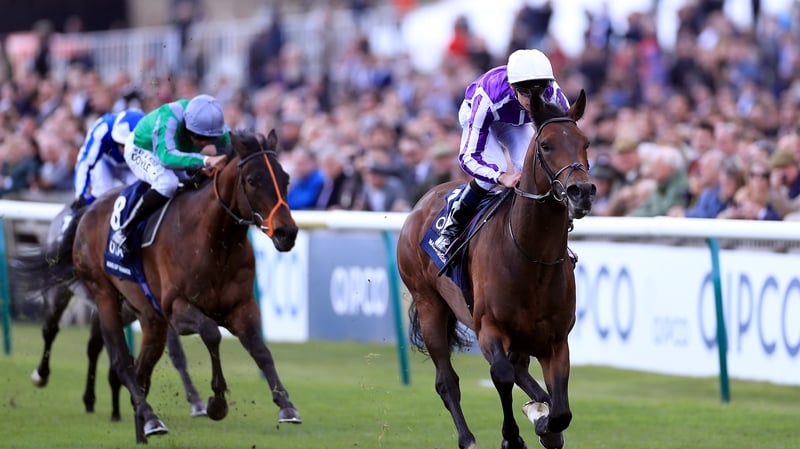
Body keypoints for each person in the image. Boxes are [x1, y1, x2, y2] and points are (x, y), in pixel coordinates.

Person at [433, 48, 570, 255]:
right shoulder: (488, 97)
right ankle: (451, 228)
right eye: (526, 91)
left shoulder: (553, 93)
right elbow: (469, 157)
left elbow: (567, 134)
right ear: (513, 87)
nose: (533, 98)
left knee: (534, 168)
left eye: (540, 89)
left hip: (517, 122)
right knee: (494, 168)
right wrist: (502, 177)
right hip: (481, 117)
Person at [110, 94, 229, 254]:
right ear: (188, 127)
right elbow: (165, 157)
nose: (205, 143)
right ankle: (125, 230)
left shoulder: (213, 124)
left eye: (210, 139)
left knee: (196, 181)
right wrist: (206, 160)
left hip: (173, 149)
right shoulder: (170, 116)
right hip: (143, 148)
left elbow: (234, 144)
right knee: (167, 182)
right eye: (200, 138)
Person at [72, 109, 145, 210]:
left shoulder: (148, 133)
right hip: (105, 161)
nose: (123, 151)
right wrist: (80, 194)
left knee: (140, 191)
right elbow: (85, 161)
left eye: (128, 145)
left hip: (132, 164)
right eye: (121, 144)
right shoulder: (102, 128)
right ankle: (77, 214)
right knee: (102, 192)